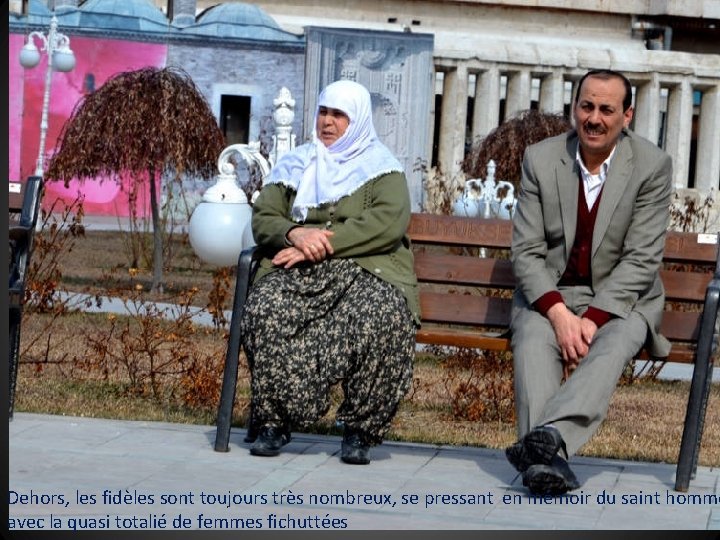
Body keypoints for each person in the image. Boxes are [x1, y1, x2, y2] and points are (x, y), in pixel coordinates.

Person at [506, 69, 673, 495]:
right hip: (551, 295)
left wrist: (592, 319)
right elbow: (526, 252)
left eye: (606, 109)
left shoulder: (652, 166)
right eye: (586, 106)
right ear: (574, 108)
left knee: (614, 344)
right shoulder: (541, 159)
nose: (594, 119)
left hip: (622, 300)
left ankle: (544, 443)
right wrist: (559, 315)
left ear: (627, 116)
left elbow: (641, 260)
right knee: (532, 337)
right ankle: (547, 458)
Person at [240, 79, 420, 465]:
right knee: (268, 306)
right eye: (324, 112)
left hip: (366, 269)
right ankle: (274, 421)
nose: (327, 122)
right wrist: (294, 233)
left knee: (382, 314)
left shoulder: (383, 169)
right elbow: (264, 216)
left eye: (339, 115)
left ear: (358, 120)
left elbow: (388, 223)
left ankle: (360, 430)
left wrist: (321, 243)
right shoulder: (297, 163)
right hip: (299, 270)